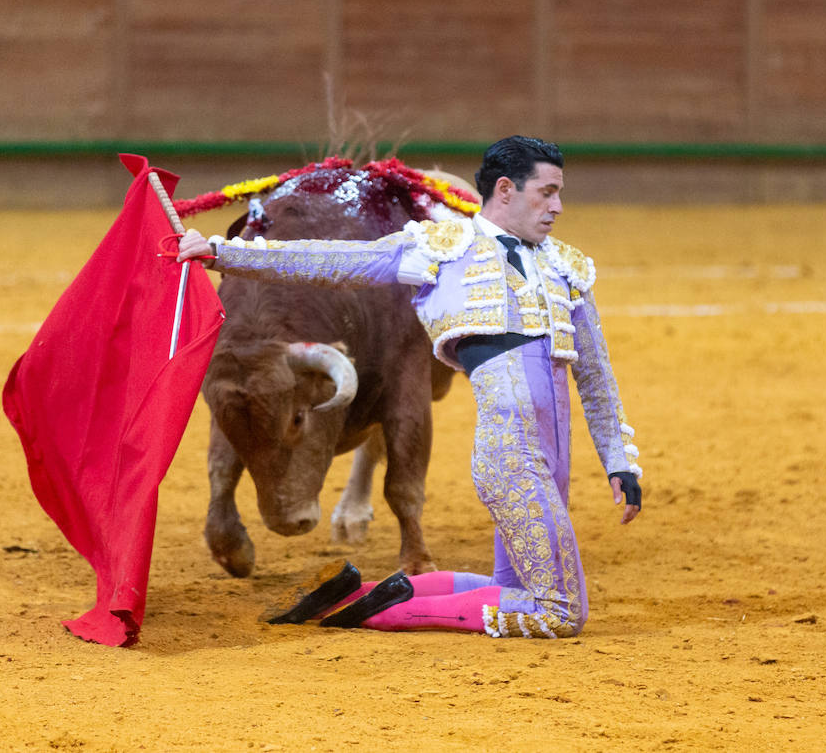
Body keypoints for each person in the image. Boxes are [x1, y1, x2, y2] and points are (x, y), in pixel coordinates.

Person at [175, 136, 643, 638]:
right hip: (510, 457)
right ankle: (376, 613)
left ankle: (353, 594)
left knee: (518, 587)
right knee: (559, 612)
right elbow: (329, 261)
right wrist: (222, 253)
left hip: (554, 460)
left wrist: (619, 459)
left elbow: (594, 376)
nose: (558, 207)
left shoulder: (567, 267)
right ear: (506, 190)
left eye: (559, 194)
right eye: (547, 193)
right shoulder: (441, 251)